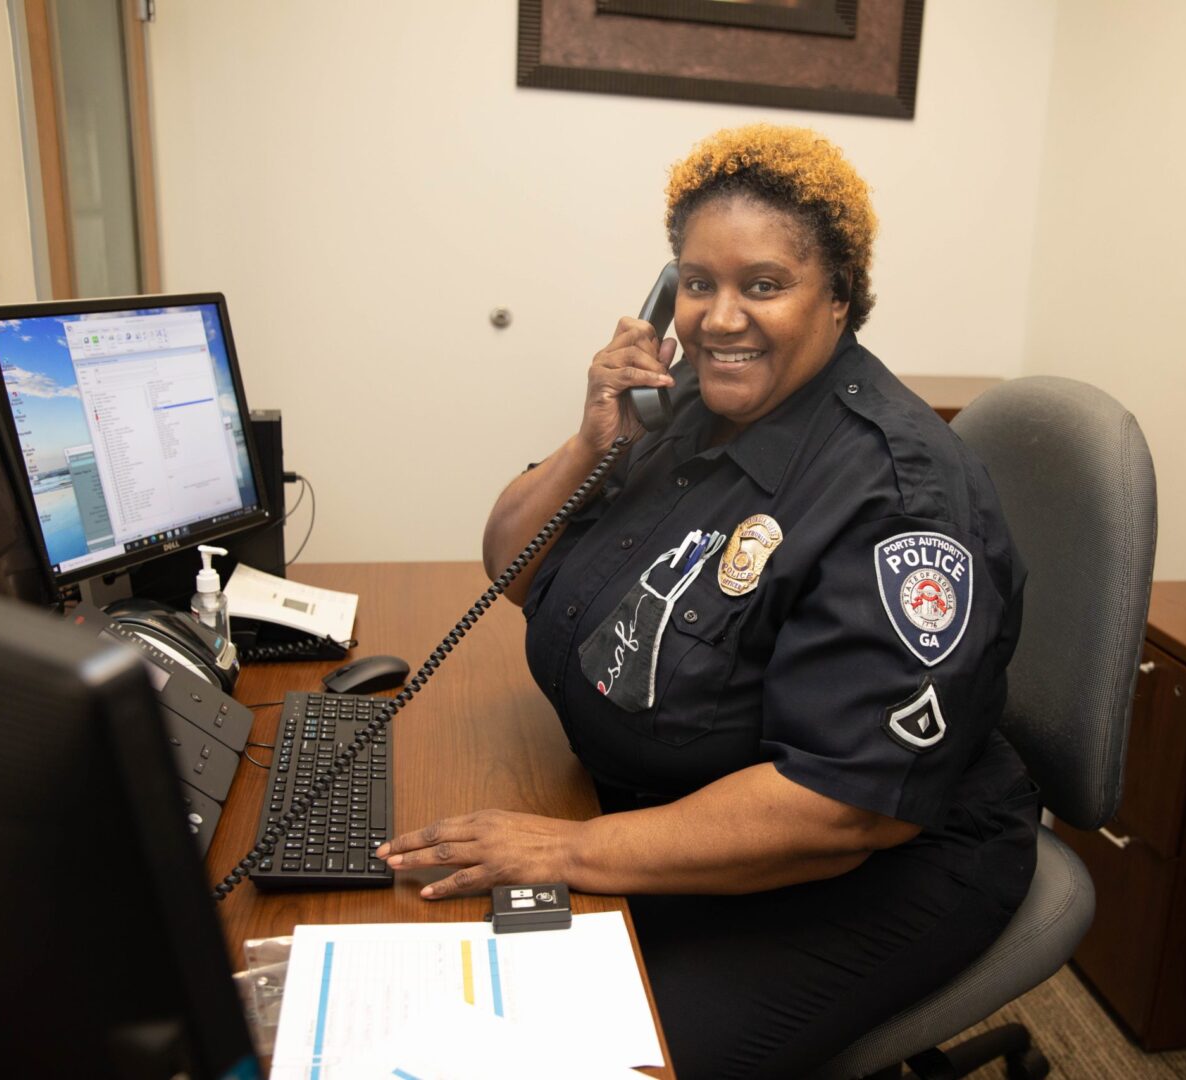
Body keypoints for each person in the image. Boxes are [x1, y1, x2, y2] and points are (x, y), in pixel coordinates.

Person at [377, 124, 1039, 1077]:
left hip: (876, 864)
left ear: (841, 296)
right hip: (669, 810)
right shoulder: (680, 403)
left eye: (763, 285)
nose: (720, 319)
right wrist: (592, 441)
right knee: (435, 975)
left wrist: (572, 850)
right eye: (697, 283)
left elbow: (842, 809)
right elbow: (511, 569)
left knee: (578, 1060)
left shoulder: (900, 498)